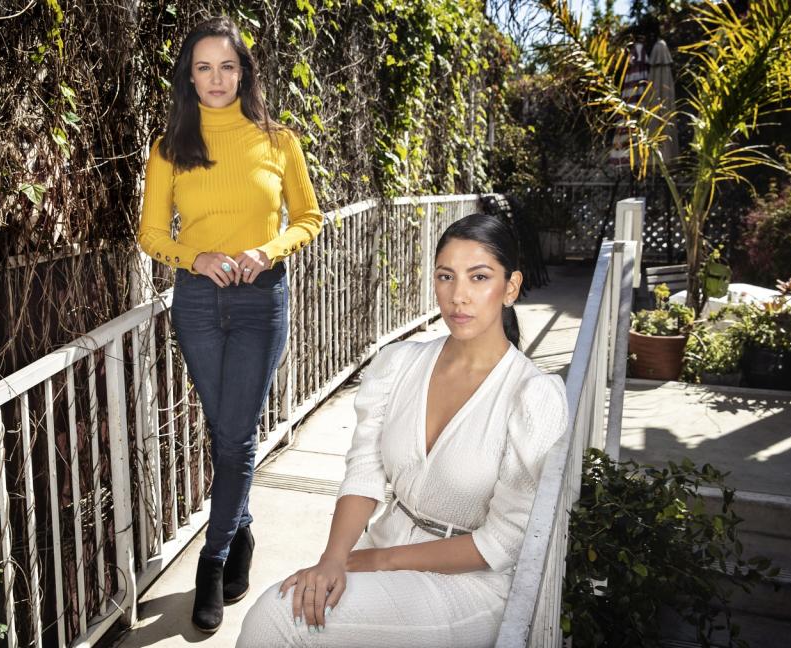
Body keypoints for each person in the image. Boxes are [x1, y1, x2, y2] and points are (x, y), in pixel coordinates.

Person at [237, 214, 568, 647]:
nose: (458, 296)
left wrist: (380, 561)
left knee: (279, 618)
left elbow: (502, 542)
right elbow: (364, 471)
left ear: (510, 287)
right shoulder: (399, 364)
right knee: (301, 597)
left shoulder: (533, 397)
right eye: (445, 276)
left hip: (470, 583)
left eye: (479, 277)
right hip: (387, 539)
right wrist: (333, 559)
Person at [137, 15, 323, 634]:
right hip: (195, 304)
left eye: (227, 66)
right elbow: (151, 235)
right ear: (188, 78)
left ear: (244, 71)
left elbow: (309, 218)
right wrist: (198, 257)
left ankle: (212, 563)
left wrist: (265, 252)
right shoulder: (168, 149)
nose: (217, 79)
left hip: (259, 302)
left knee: (236, 437)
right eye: (203, 67)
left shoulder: (278, 142)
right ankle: (241, 529)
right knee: (225, 430)